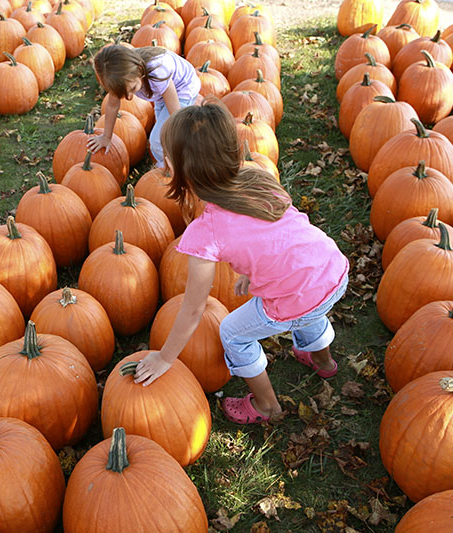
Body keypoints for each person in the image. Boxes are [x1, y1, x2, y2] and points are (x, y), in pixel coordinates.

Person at [133, 102, 349, 424]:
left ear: (178, 169)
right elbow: (278, 234)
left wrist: (165, 356)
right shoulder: (256, 175)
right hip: (331, 270)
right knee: (309, 304)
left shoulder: (205, 232)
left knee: (233, 332)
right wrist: (254, 273)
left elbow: (194, 309)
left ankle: (267, 407)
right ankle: (324, 362)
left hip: (297, 295)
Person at [88, 44, 201, 167]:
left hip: (183, 89)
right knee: (163, 134)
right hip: (160, 94)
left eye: (133, 89)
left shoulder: (157, 71)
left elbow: (176, 115)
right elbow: (112, 106)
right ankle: (170, 165)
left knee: (159, 139)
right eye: (124, 94)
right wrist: (106, 137)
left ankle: (173, 170)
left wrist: (176, 134)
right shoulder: (119, 79)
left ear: (139, 69)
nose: (130, 97)